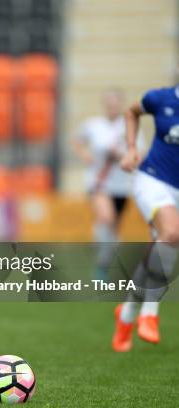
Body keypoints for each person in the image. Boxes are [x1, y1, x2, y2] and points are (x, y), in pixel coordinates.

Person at [112, 83, 179, 352]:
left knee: (161, 245)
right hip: (153, 178)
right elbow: (132, 112)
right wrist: (131, 148)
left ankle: (126, 314)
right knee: (172, 234)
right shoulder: (159, 98)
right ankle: (149, 314)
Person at [71, 88, 141, 281]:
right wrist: (85, 155)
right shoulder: (94, 125)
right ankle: (101, 251)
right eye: (109, 104)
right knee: (107, 219)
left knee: (113, 233)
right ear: (105, 105)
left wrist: (122, 155)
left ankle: (102, 264)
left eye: (115, 104)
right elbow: (77, 141)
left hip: (122, 185)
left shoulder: (129, 126)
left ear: (120, 105)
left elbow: (138, 156)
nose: (112, 108)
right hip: (99, 183)